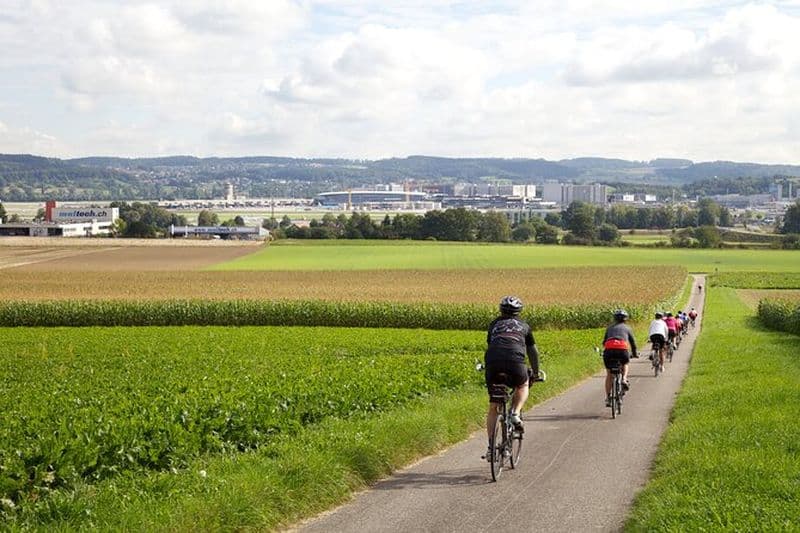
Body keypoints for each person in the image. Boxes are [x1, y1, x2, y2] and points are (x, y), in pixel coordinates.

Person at [483, 296, 541, 460]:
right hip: (515, 361)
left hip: (493, 362)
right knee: (523, 385)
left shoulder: (494, 324)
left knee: (493, 406)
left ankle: (490, 448)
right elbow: (533, 352)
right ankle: (515, 412)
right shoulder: (524, 326)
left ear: (501, 310)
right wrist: (536, 373)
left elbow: (492, 344)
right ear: (518, 311)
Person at [601, 309, 637, 407]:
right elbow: (633, 343)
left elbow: (604, 342)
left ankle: (608, 398)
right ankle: (624, 379)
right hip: (622, 349)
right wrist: (634, 353)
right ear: (625, 319)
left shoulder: (609, 328)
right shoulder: (627, 328)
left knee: (609, 374)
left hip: (609, 350)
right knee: (625, 363)